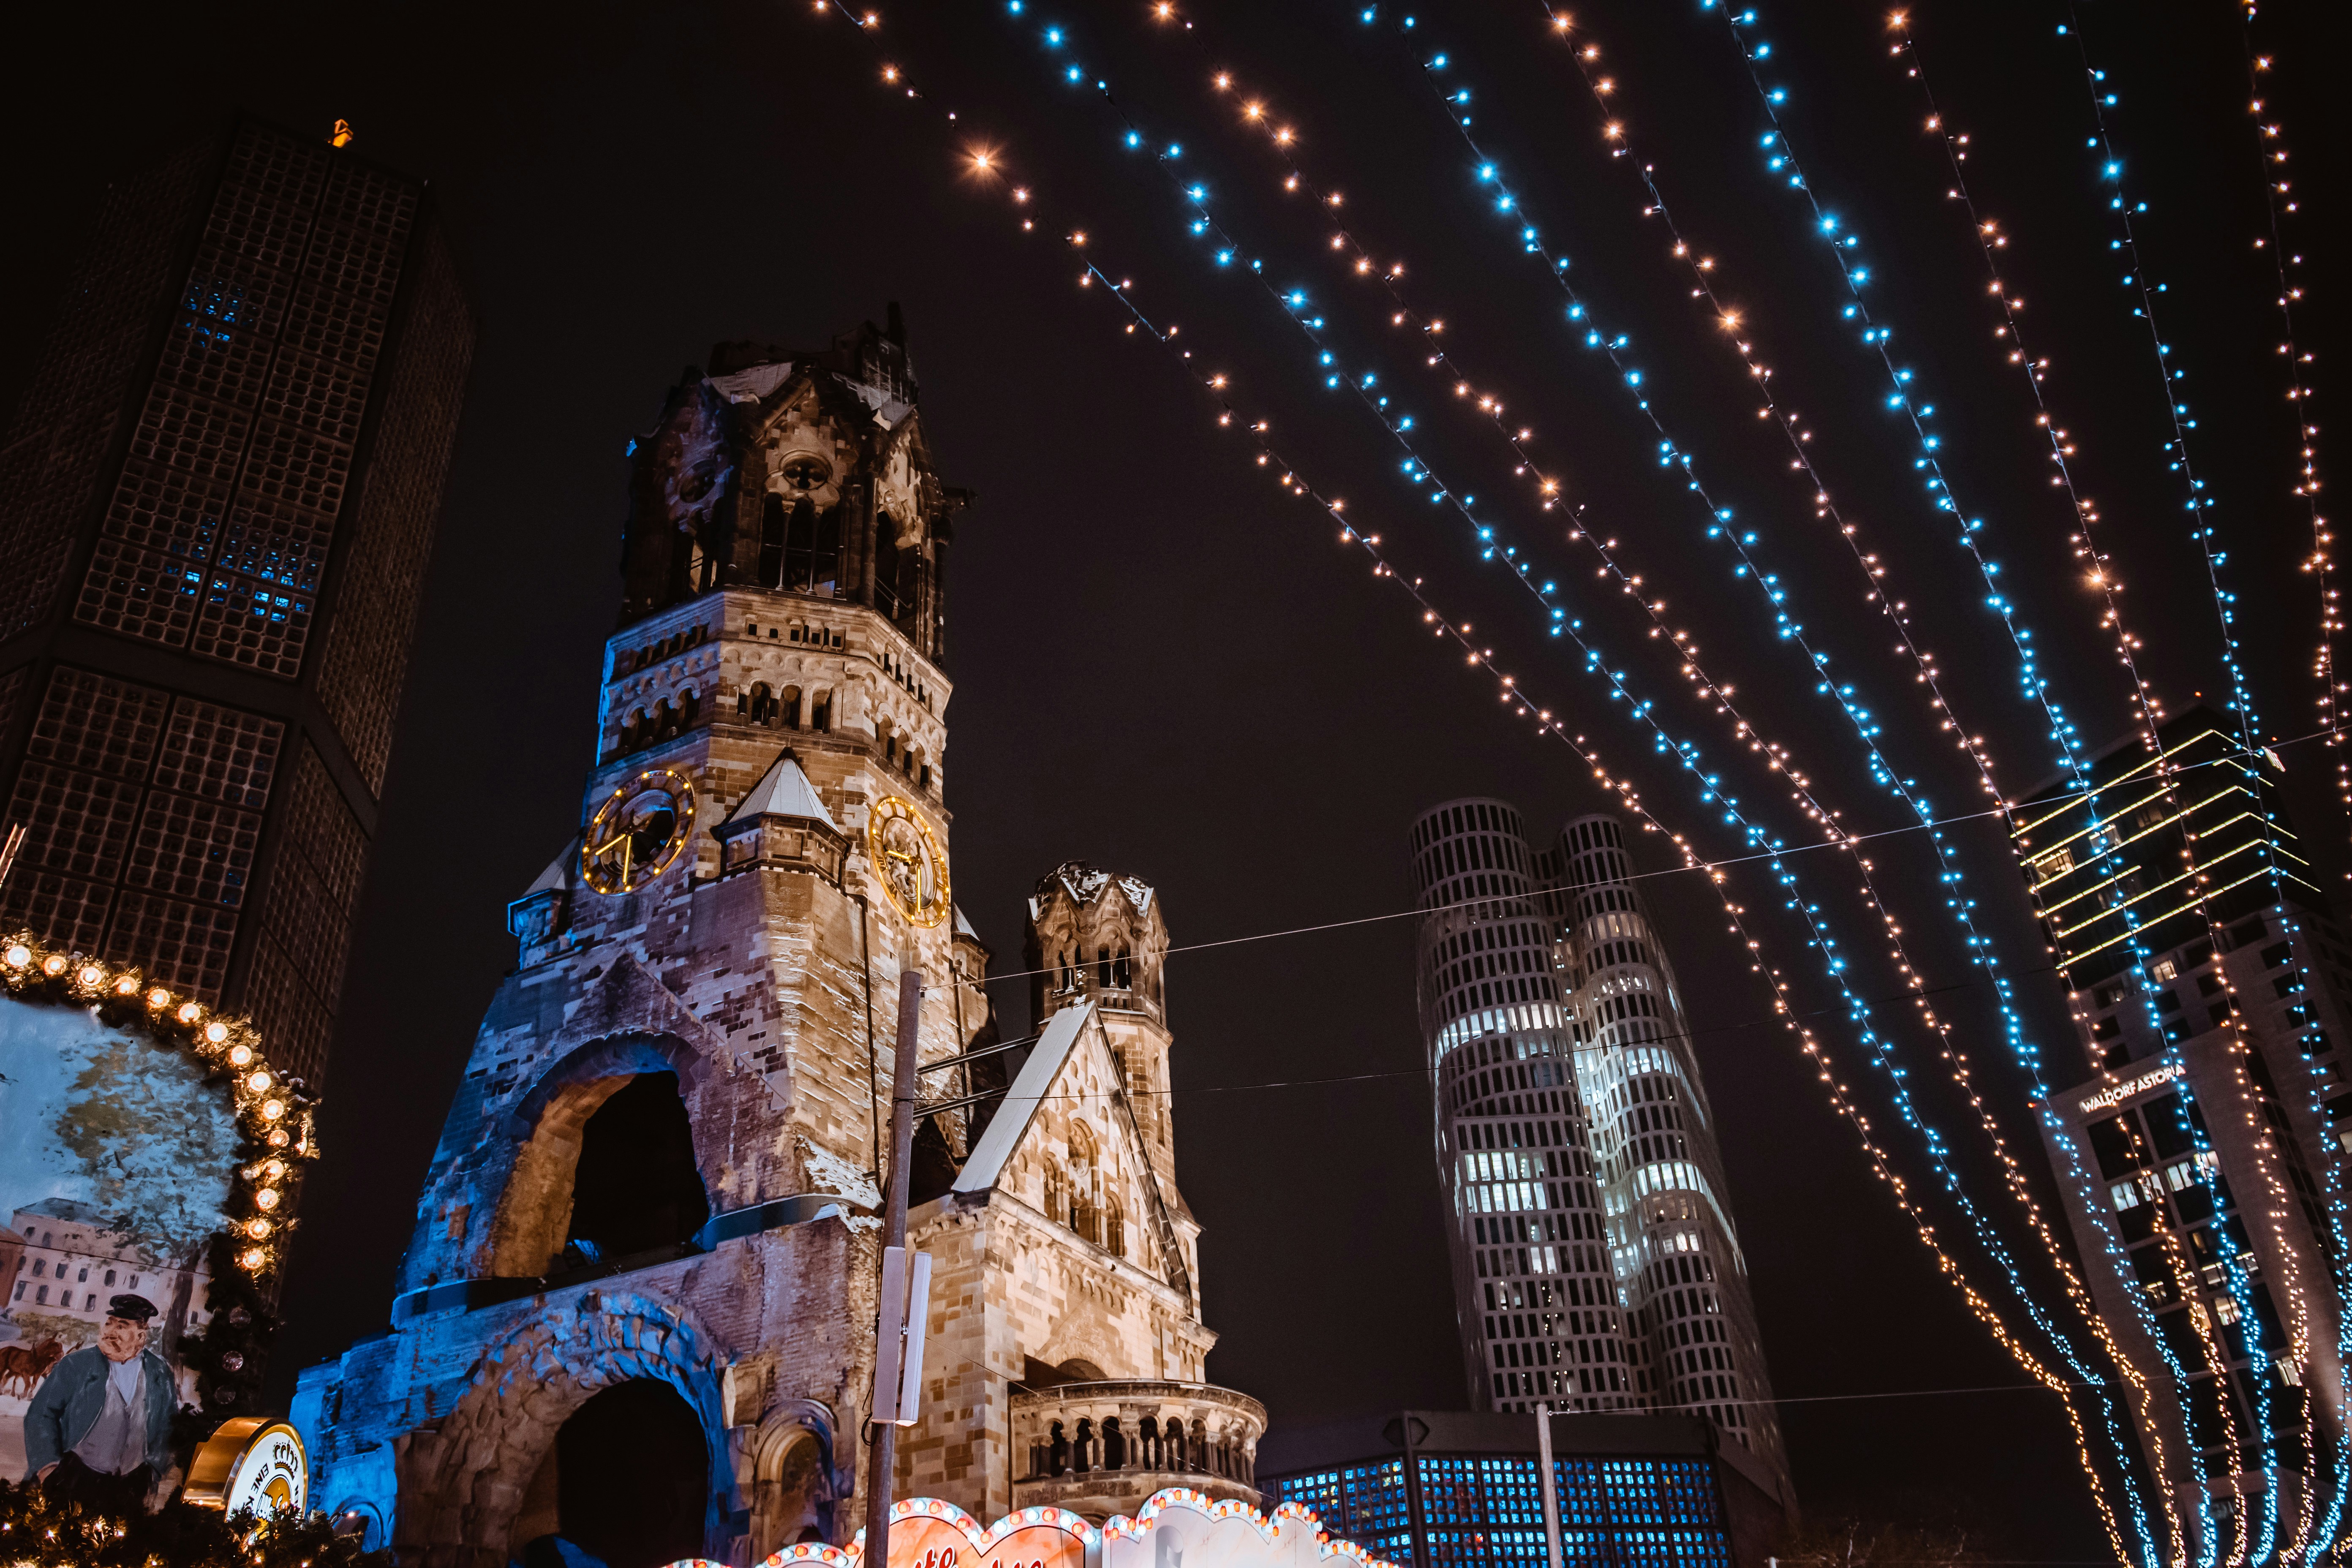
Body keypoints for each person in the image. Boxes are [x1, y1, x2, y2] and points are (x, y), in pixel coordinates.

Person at [23, 1293, 177, 1515]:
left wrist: (155, 1469)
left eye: (122, 1326)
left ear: (141, 1336)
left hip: (133, 1481)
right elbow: (41, 1414)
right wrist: (48, 1468)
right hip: (76, 1475)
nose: (111, 1332)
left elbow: (169, 1425)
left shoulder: (159, 1372)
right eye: (109, 1324)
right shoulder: (76, 1364)